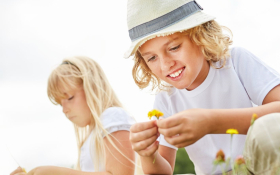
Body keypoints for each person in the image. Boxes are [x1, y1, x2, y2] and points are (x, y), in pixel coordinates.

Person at [126, 0, 280, 174]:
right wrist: (146, 154)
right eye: (152, 58)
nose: (165, 64)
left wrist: (211, 122)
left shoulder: (235, 62)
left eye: (174, 47)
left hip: (258, 166)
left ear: (201, 36)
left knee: (269, 127)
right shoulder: (166, 98)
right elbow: (164, 171)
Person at [11, 56, 136, 175]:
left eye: (70, 97)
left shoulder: (112, 116)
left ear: (92, 87)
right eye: (60, 104)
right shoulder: (91, 135)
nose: (64, 110)